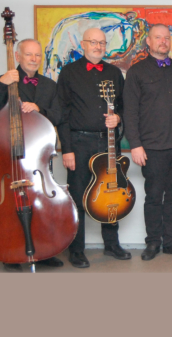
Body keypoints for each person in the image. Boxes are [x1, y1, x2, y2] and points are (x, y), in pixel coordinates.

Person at [57, 28, 131, 268]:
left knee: (111, 192)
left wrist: (118, 118)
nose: (98, 46)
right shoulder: (69, 73)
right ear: (83, 44)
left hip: (108, 142)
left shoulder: (114, 73)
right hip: (79, 144)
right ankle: (76, 249)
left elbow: (124, 106)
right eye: (93, 42)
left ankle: (112, 244)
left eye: (102, 42)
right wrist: (67, 149)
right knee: (78, 196)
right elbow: (62, 113)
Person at [0, 38, 63, 272]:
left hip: (39, 158)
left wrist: (39, 109)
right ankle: (11, 252)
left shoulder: (49, 85)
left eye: (37, 55)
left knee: (42, 206)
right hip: (11, 156)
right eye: (29, 54)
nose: (34, 59)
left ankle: (44, 251)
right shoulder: (4, 81)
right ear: (17, 56)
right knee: (11, 207)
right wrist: (2, 85)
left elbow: (58, 115)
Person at [123, 24, 172, 261]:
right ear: (149, 42)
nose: (163, 41)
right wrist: (135, 144)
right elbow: (130, 111)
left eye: (167, 38)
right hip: (152, 148)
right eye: (158, 37)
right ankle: (153, 242)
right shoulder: (136, 72)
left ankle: (171, 242)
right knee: (153, 197)